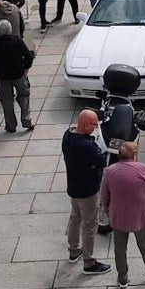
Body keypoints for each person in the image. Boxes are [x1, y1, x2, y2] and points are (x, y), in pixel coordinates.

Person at [100, 141, 145, 289]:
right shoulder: (142, 169)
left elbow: (104, 195)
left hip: (119, 215)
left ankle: (122, 277)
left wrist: (108, 210)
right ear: (134, 155)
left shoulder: (110, 171)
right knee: (144, 244)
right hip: (140, 214)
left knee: (119, 248)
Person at [63, 110, 112, 275]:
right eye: (94, 125)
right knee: (90, 225)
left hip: (73, 187)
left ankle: (73, 250)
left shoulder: (67, 136)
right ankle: (89, 262)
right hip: (88, 191)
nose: (96, 128)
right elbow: (101, 161)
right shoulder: (86, 146)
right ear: (85, 125)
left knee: (75, 218)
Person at [0, 18, 34, 132]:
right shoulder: (17, 41)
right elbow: (28, 56)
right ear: (10, 30)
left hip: (3, 77)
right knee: (24, 96)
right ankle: (26, 121)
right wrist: (26, 67)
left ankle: (11, 125)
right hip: (18, 74)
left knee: (7, 101)